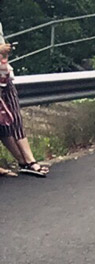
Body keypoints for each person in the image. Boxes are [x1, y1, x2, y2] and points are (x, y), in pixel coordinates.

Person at [0, 41, 48, 177]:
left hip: (3, 77)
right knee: (3, 125)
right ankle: (24, 161)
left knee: (13, 119)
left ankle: (29, 161)